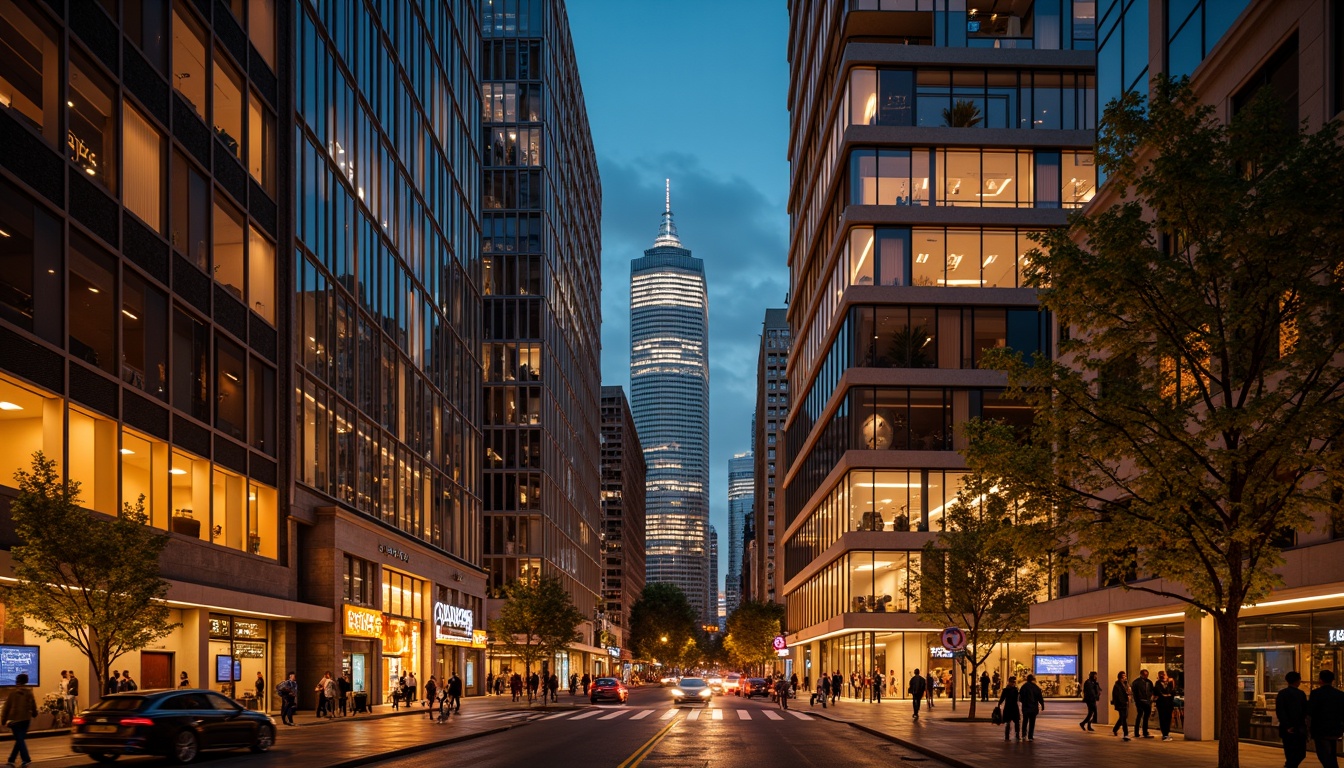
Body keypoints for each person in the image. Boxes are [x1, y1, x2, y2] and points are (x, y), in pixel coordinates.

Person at [1309, 669, 1344, 768]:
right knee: (1332, 752)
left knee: (1323, 754)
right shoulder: (1340, 694)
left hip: (1320, 728)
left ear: (1320, 680)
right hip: (1335, 728)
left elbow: (1310, 710)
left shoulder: (1316, 693)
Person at [2, 671, 38, 768]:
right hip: (26, 719)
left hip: (14, 720)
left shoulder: (12, 693)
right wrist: (34, 714)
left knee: (19, 740)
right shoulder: (29, 693)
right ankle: (12, 760)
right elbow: (33, 705)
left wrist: (3, 720)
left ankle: (26, 759)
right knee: (20, 739)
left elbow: (6, 707)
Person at [1277, 670, 1308, 768]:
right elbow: (1304, 710)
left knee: (1290, 752)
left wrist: (1286, 725)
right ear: (1297, 681)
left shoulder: (1282, 693)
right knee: (1301, 753)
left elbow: (1280, 711)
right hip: (1299, 727)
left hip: (1287, 728)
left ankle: (1289, 765)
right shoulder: (1301, 694)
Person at [1020, 674, 1045, 741]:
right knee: (1032, 722)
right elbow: (1040, 697)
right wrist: (1042, 705)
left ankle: (1023, 735)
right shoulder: (1036, 688)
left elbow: (1020, 698)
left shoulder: (1023, 687)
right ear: (1033, 680)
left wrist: (1024, 702)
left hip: (1025, 707)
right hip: (1033, 707)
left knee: (1025, 721)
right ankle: (1030, 736)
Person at [1154, 670, 1177, 741]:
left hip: (1169, 703)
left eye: (1164, 674)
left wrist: (1168, 694)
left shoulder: (1170, 682)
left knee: (1168, 718)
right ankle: (1164, 733)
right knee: (1162, 718)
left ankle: (1167, 732)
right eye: (1161, 675)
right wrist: (1165, 695)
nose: (1163, 676)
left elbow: (1173, 692)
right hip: (1161, 703)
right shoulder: (1158, 683)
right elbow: (1158, 692)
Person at [998, 675, 1022, 741]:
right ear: (1009, 682)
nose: (1013, 683)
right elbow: (1002, 698)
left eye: (1013, 682)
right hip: (1010, 707)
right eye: (1012, 682)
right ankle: (1008, 736)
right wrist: (999, 704)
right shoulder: (1008, 690)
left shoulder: (1014, 690)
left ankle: (1015, 735)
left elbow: (1019, 698)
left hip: (1012, 707)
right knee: (1009, 723)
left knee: (1016, 722)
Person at [1132, 668, 1154, 738]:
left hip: (1147, 701)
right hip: (1140, 701)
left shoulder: (1149, 682)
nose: (1146, 676)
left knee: (1146, 717)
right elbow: (1135, 693)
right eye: (1145, 674)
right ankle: (1136, 732)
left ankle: (1145, 732)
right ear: (1141, 674)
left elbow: (1151, 691)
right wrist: (1137, 701)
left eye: (1147, 674)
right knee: (1139, 716)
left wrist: (1150, 699)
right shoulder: (1136, 682)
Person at [1111, 670, 1132, 741]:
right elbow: (1117, 696)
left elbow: (1128, 693)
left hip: (1125, 703)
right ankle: (1126, 734)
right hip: (1121, 704)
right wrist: (1121, 702)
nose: (1125, 677)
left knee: (1123, 717)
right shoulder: (1117, 685)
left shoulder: (1126, 684)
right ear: (1120, 677)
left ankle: (1115, 728)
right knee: (1124, 719)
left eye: (1125, 676)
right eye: (1124, 676)